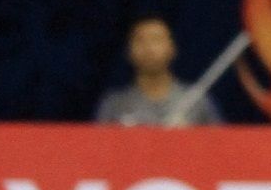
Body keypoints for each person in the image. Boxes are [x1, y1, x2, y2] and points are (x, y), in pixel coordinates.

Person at [94, 14, 224, 126]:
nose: (149, 48)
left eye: (156, 40)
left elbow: (220, 148)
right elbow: (97, 150)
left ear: (172, 48)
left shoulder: (197, 102)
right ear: (129, 51)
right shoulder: (113, 105)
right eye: (140, 40)